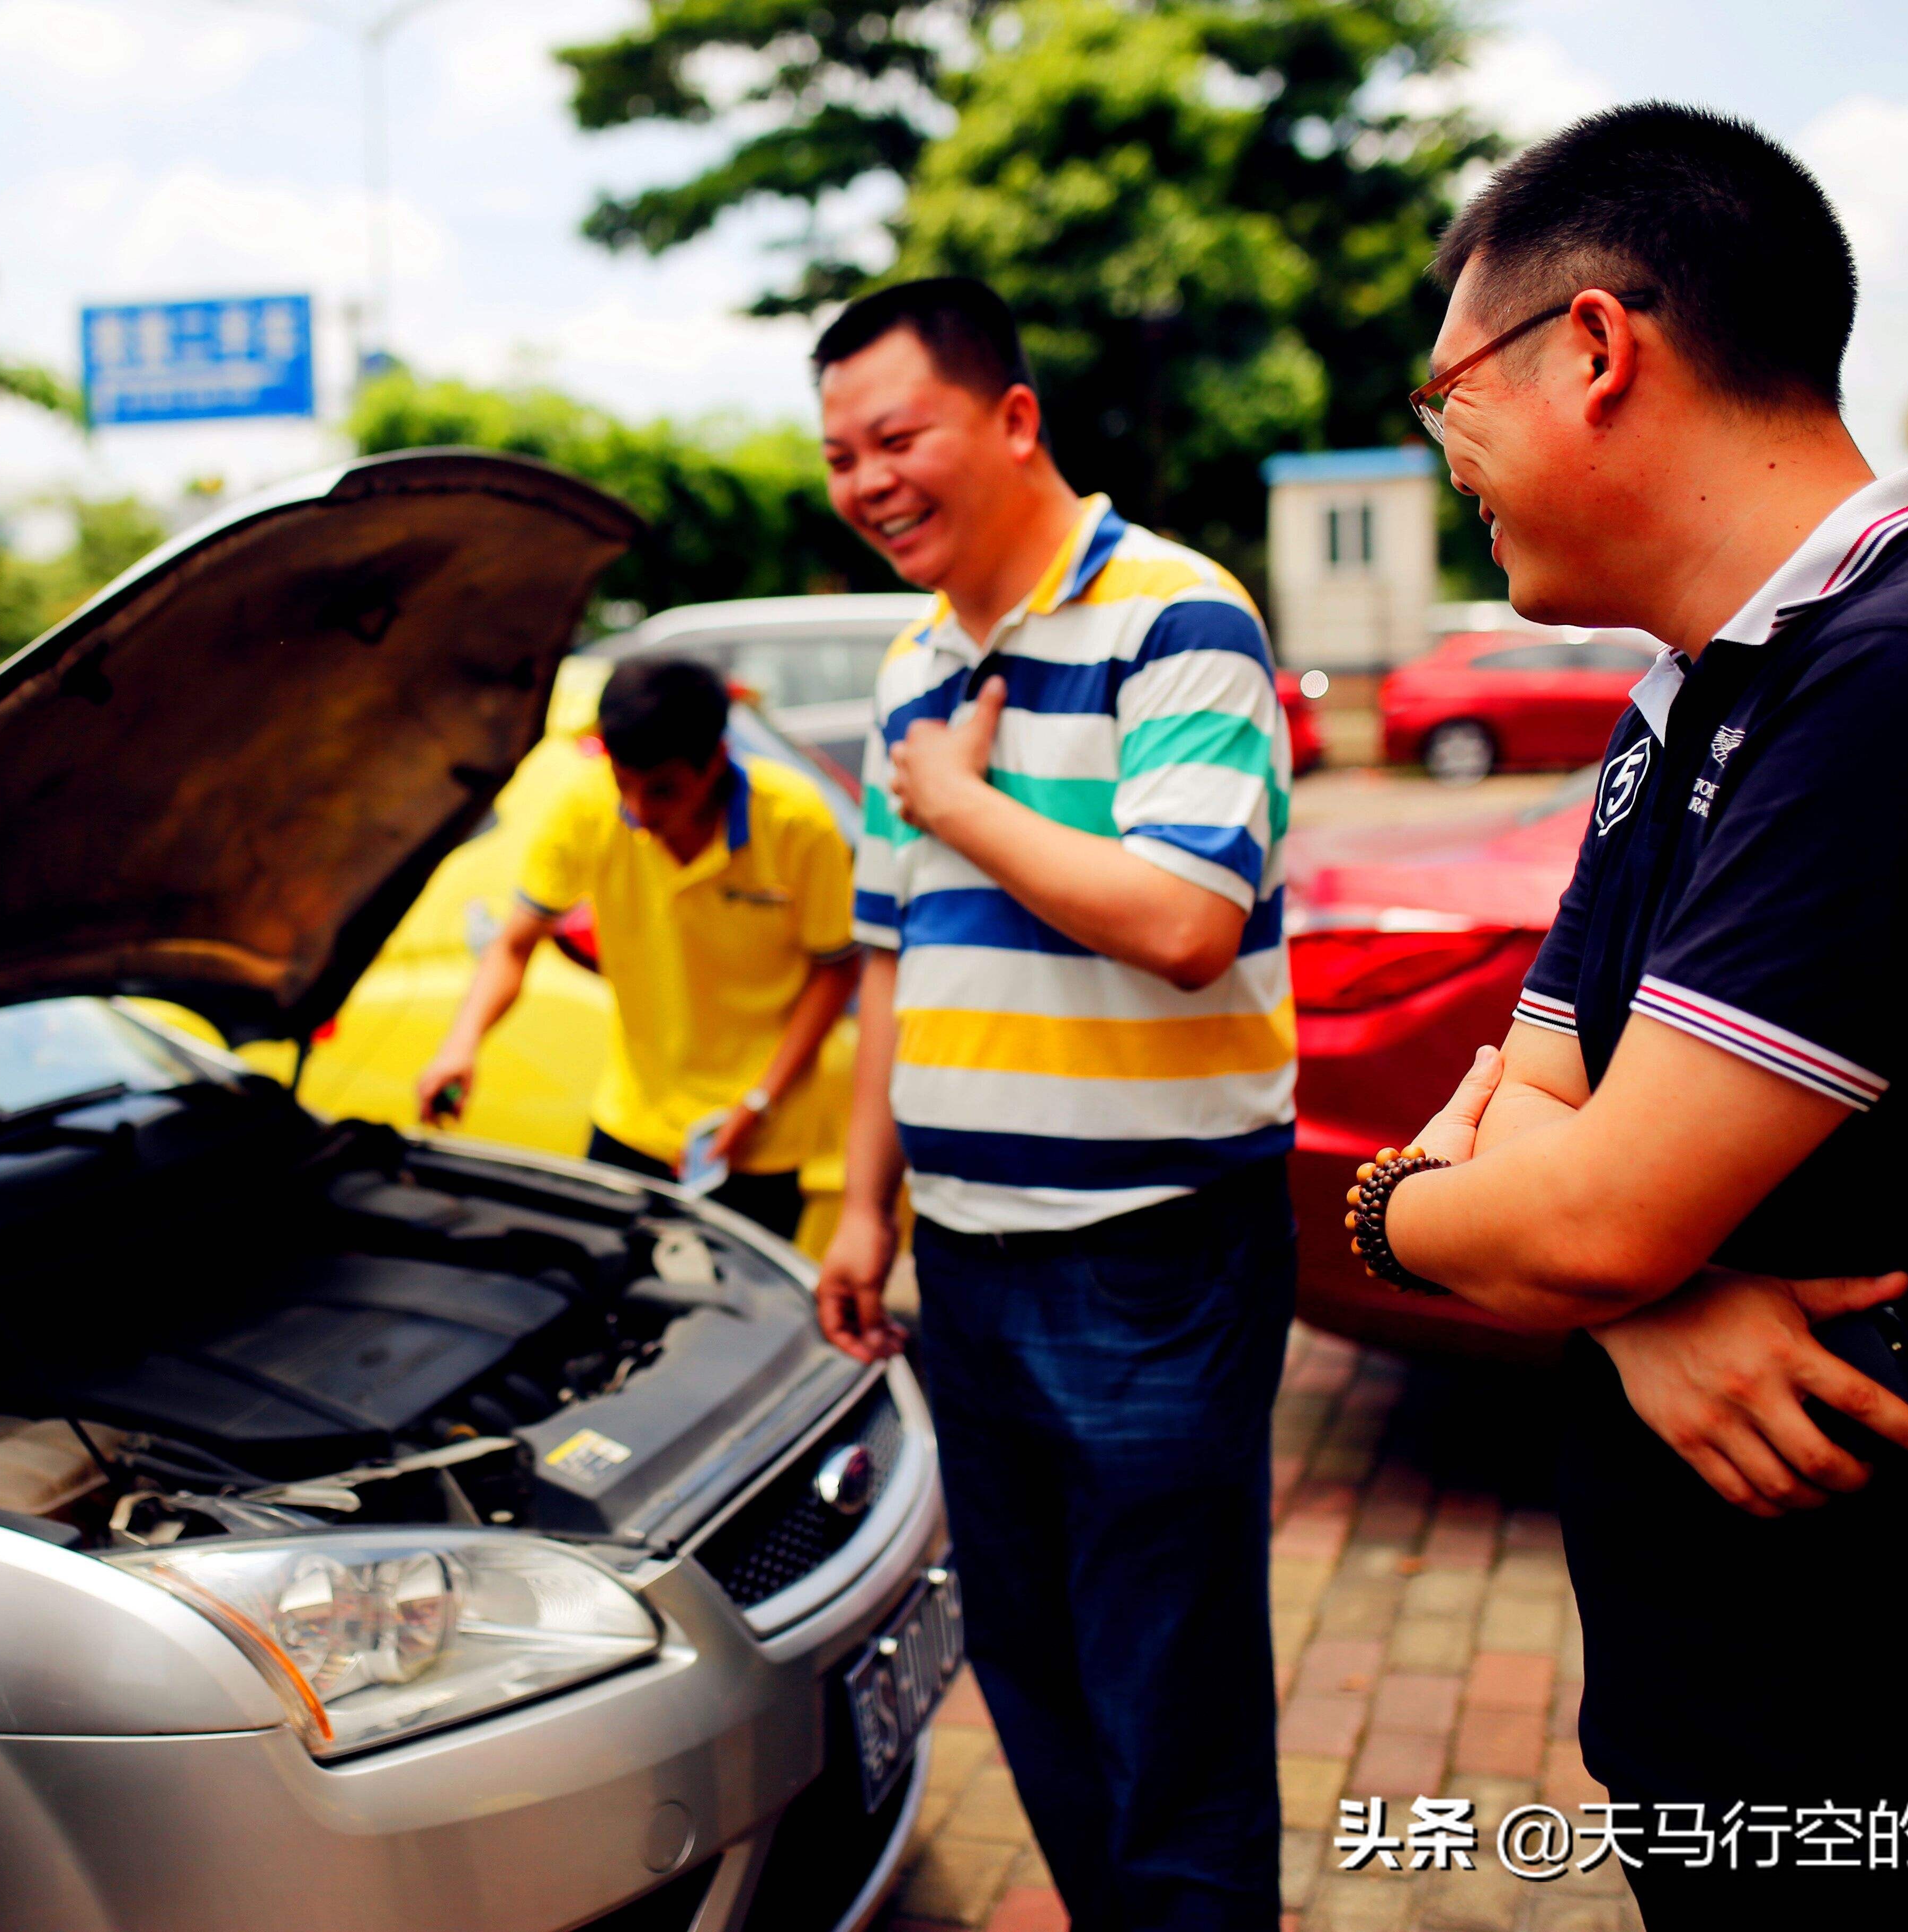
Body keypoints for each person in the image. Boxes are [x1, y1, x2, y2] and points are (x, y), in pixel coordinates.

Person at [1350, 106, 1908, 1928]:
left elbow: (1566, 1196)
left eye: (1445, 393)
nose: (1449, 455)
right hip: (1734, 1692)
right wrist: (1646, 1296)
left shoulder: (1907, 665)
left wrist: (1418, 1214)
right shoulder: (1696, 692)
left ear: (1596, 350)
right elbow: (1541, 1117)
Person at [812, 277, 1298, 1930]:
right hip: (971, 1259)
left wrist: (956, 792)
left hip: (1153, 1253)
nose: (867, 483)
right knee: (1031, 1669)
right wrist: (863, 1200)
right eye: (838, 456)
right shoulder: (911, 664)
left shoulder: (1182, 619)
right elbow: (889, 957)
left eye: (896, 437)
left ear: (1014, 419)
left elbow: (1185, 921)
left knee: (1171, 1694)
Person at [416, 655, 859, 1240]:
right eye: (625, 785)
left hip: (761, 1134)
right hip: (632, 1119)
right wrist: (462, 1043)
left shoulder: (798, 824)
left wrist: (759, 1101)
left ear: (716, 762)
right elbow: (516, 944)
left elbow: (835, 970)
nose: (640, 813)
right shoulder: (589, 805)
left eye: (664, 791)